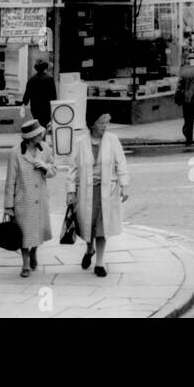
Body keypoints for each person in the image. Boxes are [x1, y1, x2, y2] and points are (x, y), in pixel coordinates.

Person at [67, 110, 130, 278]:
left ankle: (100, 263)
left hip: (107, 191)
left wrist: (125, 185)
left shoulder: (112, 140)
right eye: (101, 123)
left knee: (102, 228)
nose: (105, 126)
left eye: (106, 123)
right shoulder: (80, 142)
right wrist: (71, 191)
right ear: (92, 124)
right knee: (88, 226)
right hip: (87, 191)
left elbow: (121, 163)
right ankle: (89, 249)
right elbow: (72, 168)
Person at [3, 119, 56, 278]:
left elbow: (54, 171)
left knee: (37, 231)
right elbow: (10, 180)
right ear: (31, 137)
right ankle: (25, 264)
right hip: (23, 199)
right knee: (24, 233)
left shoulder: (45, 149)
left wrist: (45, 167)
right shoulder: (15, 153)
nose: (42, 135)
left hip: (40, 198)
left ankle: (34, 251)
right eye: (38, 134)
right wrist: (8, 206)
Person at [20, 60, 57, 129]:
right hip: (46, 106)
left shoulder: (31, 80)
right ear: (45, 68)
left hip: (35, 107)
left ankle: (39, 138)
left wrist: (23, 106)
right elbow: (53, 95)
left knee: (38, 123)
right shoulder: (50, 79)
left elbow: (27, 94)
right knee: (45, 124)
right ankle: (43, 138)